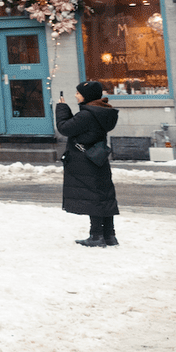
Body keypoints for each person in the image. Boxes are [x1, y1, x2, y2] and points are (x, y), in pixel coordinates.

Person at [55, 80, 120, 247]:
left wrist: (62, 108)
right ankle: (109, 235)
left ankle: (97, 236)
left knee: (93, 197)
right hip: (98, 158)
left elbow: (65, 128)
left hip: (85, 161)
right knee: (103, 195)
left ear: (86, 95)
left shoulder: (87, 114)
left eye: (78, 93)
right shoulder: (102, 112)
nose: (76, 95)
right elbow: (76, 128)